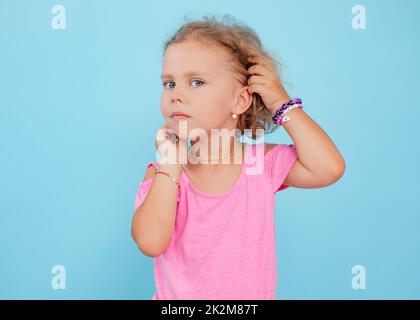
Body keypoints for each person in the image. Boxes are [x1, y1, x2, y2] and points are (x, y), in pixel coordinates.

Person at [131, 15, 345, 300]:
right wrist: (171, 161)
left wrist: (281, 103)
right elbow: (150, 242)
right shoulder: (163, 175)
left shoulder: (261, 165)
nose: (176, 95)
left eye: (196, 82)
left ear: (240, 100)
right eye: (169, 84)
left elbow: (329, 168)